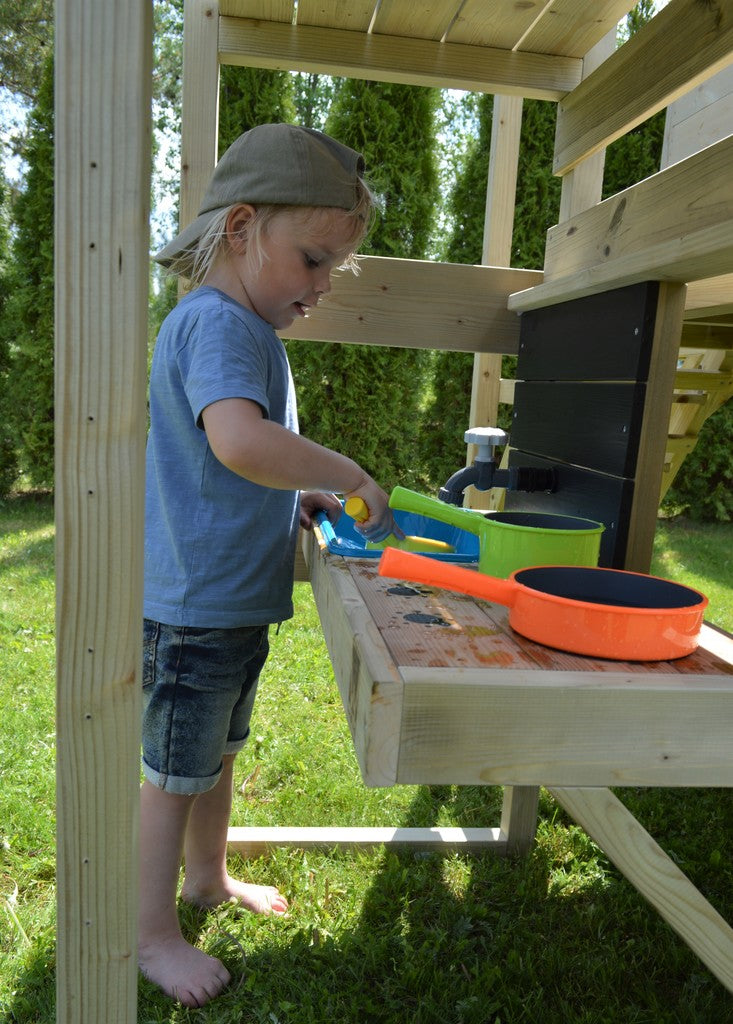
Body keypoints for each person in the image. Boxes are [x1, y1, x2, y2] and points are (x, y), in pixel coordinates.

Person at [139, 122, 401, 1008]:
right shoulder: (217, 324)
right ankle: (149, 936)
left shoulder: (239, 326)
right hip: (196, 607)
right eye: (313, 261)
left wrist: (299, 498)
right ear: (242, 228)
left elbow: (239, 466)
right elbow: (242, 441)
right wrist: (348, 474)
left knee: (213, 758)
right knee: (176, 773)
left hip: (226, 603)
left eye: (335, 269)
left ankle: (206, 883)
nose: (322, 287)